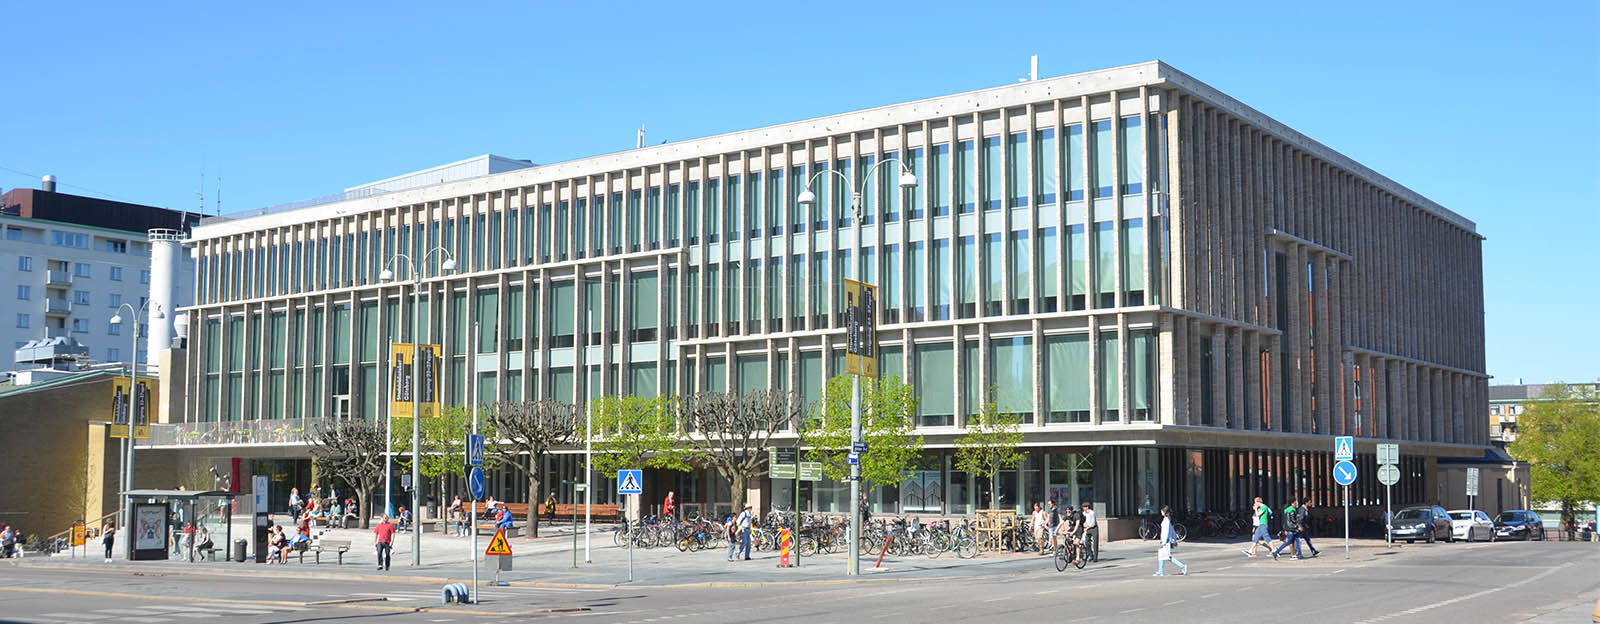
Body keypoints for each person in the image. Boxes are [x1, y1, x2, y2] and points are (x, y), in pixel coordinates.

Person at [1153, 505, 1188, 576]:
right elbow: (1173, 531)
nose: (1161, 512)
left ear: (1164, 512)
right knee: (1162, 556)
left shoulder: (1166, 520)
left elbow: (1166, 532)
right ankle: (1160, 571)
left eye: (1162, 511)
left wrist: (1165, 542)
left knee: (1167, 556)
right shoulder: (1167, 520)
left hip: (1165, 541)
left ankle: (1182, 566)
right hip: (1165, 541)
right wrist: (1175, 540)